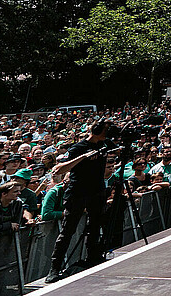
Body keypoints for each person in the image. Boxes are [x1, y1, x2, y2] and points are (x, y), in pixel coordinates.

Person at [47, 120, 109, 282]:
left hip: (97, 191)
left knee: (95, 227)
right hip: (78, 193)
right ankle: (54, 268)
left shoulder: (105, 144)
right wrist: (83, 157)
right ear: (96, 130)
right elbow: (59, 169)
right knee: (68, 230)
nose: (107, 134)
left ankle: (92, 258)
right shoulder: (78, 148)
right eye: (105, 130)